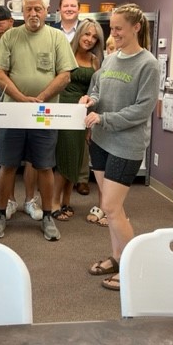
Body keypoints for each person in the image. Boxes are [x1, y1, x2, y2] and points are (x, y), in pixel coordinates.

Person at [80, 3, 159, 291]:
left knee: (111, 208)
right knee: (111, 208)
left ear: (136, 27)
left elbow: (143, 109)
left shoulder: (148, 64)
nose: (113, 34)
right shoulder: (111, 59)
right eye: (111, 29)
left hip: (126, 144)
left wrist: (104, 117)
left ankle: (131, 268)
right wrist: (90, 102)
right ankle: (117, 257)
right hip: (101, 140)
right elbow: (97, 90)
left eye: (118, 29)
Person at [0, 0, 77, 241]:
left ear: (47, 11)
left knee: (44, 166)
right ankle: (1, 214)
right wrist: (21, 98)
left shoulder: (57, 37)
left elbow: (65, 75)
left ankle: (48, 215)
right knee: (7, 164)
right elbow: (0, 73)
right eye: (29, 8)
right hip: (13, 112)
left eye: (38, 8)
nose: (33, 13)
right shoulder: (10, 37)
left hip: (44, 113)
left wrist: (41, 99)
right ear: (22, 11)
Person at [0, 6, 41, 221]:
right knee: (7, 159)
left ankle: (30, 200)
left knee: (32, 159)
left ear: (11, 21)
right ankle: (8, 201)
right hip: (5, 108)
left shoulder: (26, 39)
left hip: (32, 105)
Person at [51, 19, 104, 221]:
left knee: (75, 159)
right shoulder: (66, 54)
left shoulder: (95, 60)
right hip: (64, 107)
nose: (89, 39)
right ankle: (54, 202)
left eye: (94, 37)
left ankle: (66, 201)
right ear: (79, 34)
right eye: (86, 34)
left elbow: (95, 91)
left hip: (82, 112)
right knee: (64, 156)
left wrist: (90, 120)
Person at [54, 0, 91, 196]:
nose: (69, 9)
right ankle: (56, 197)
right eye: (66, 5)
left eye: (73, 6)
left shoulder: (86, 30)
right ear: (59, 8)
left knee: (79, 146)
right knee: (61, 148)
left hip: (82, 101)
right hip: (61, 97)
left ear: (79, 9)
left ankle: (81, 179)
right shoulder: (52, 31)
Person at [86, 34, 117, 227]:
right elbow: (93, 99)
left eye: (117, 49)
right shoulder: (98, 75)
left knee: (115, 175)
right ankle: (102, 205)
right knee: (100, 171)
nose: (113, 53)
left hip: (118, 129)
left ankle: (115, 209)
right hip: (99, 130)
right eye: (110, 49)